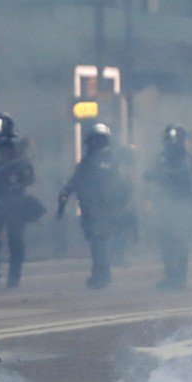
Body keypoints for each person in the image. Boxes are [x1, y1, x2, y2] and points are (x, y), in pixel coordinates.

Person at [59, 123, 131, 289]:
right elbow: (76, 179)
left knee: (99, 243)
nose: (96, 144)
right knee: (96, 243)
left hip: (103, 210)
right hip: (89, 209)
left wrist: (113, 204)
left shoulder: (112, 162)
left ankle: (102, 276)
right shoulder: (87, 163)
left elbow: (122, 186)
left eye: (99, 141)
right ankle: (100, 274)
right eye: (94, 141)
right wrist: (66, 192)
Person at [0, 113, 37, 287]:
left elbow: (29, 176)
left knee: (15, 239)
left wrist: (16, 182)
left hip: (14, 200)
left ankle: (13, 277)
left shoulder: (19, 152)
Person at [144, 125, 192, 290]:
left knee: (180, 242)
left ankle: (180, 278)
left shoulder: (188, 159)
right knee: (166, 242)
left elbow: (191, 180)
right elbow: (150, 174)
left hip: (183, 205)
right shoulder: (161, 158)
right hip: (164, 206)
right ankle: (170, 276)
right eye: (169, 141)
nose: (172, 144)